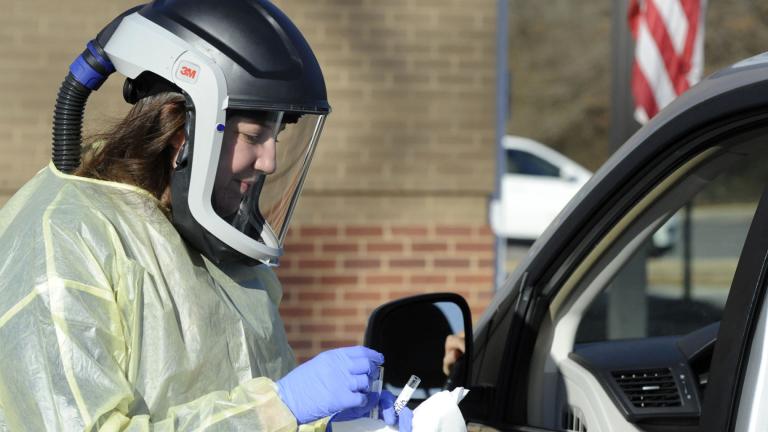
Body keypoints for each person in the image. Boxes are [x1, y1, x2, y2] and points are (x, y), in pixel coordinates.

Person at [0, 1, 412, 431]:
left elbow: (241, 391)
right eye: (254, 135)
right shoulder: (65, 237)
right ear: (180, 127)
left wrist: (323, 424)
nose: (269, 161)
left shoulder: (217, 238)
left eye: (277, 136)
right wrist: (279, 407)